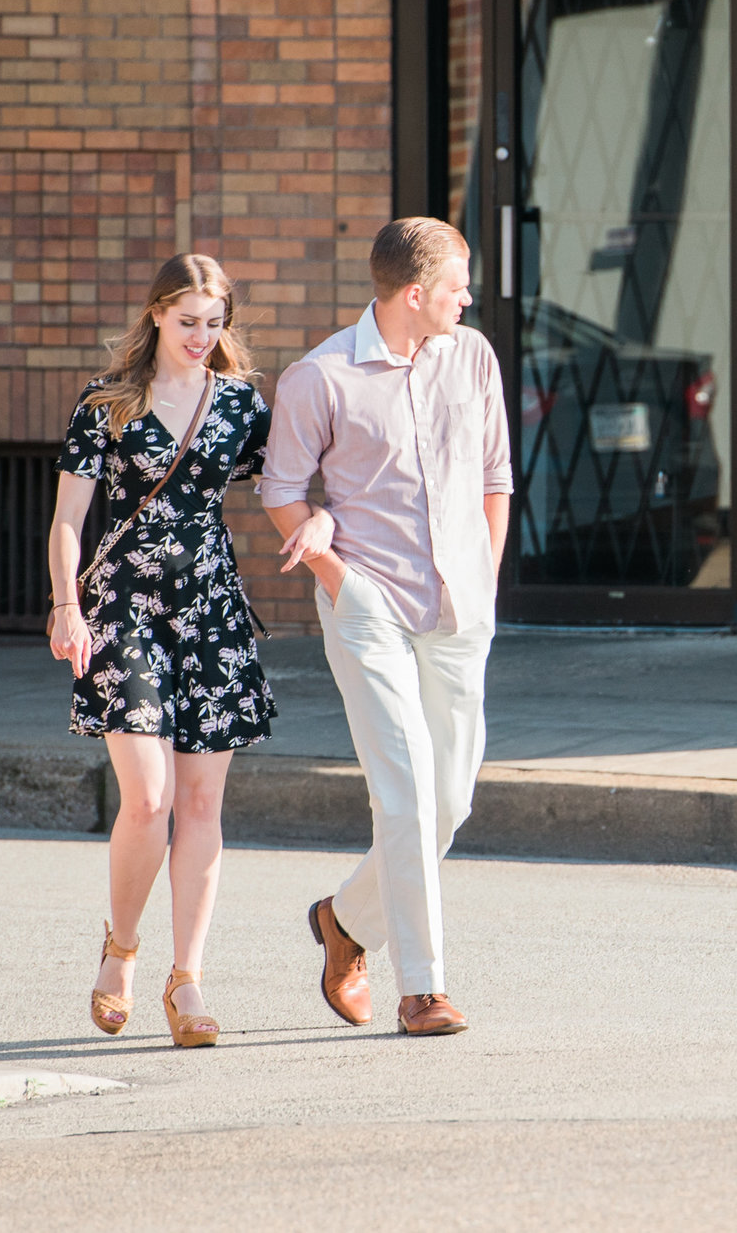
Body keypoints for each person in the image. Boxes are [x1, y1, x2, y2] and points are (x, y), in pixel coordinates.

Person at [262, 217, 511, 1037]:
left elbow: (494, 476)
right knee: (402, 794)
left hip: (459, 608)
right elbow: (283, 491)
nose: (467, 298)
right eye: (456, 285)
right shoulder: (321, 377)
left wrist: (486, 577)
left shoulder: (472, 357)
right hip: (370, 610)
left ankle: (343, 920)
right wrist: (343, 585)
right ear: (415, 294)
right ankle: (424, 987)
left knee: (450, 802)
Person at [48, 253, 273, 1048]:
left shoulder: (241, 404)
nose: (203, 338)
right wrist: (67, 603)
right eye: (189, 323)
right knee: (147, 798)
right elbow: (70, 517)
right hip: (123, 610)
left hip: (210, 612)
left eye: (216, 325)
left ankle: (188, 978)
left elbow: (286, 481)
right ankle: (121, 948)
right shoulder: (109, 404)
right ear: (155, 317)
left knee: (202, 804)